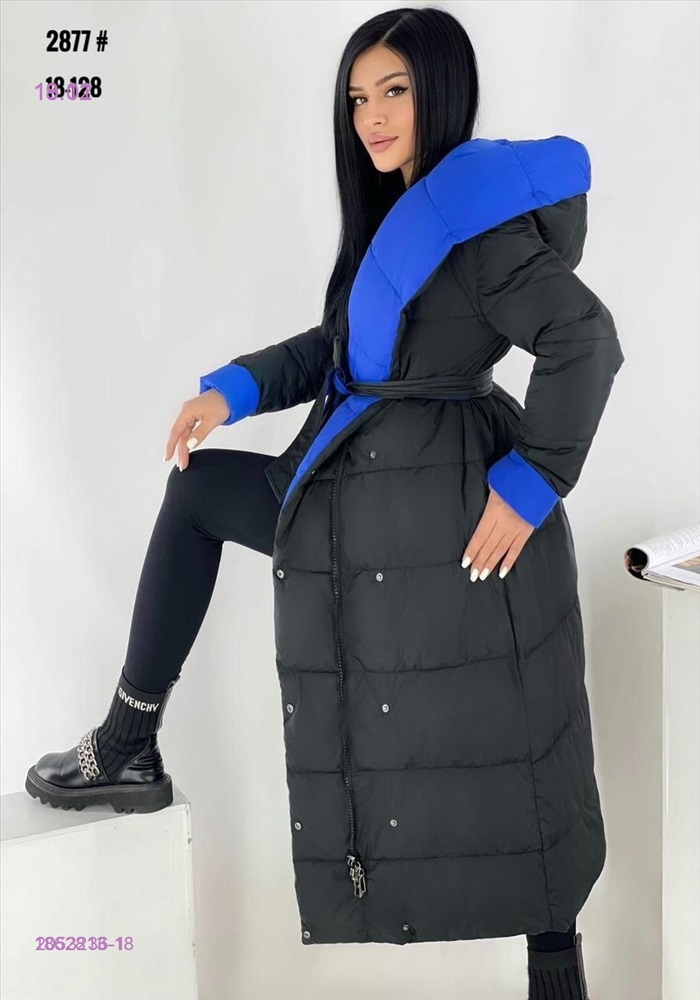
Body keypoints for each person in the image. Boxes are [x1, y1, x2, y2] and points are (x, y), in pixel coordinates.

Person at [25, 7, 624, 998]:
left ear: (443, 90)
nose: (372, 116)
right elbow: (340, 349)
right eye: (357, 98)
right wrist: (235, 389)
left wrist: (528, 486)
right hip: (370, 476)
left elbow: (585, 339)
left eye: (395, 91)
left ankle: (127, 741)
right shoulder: (407, 212)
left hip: (432, 499)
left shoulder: (471, 225)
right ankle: (129, 740)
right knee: (203, 498)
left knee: (510, 721)